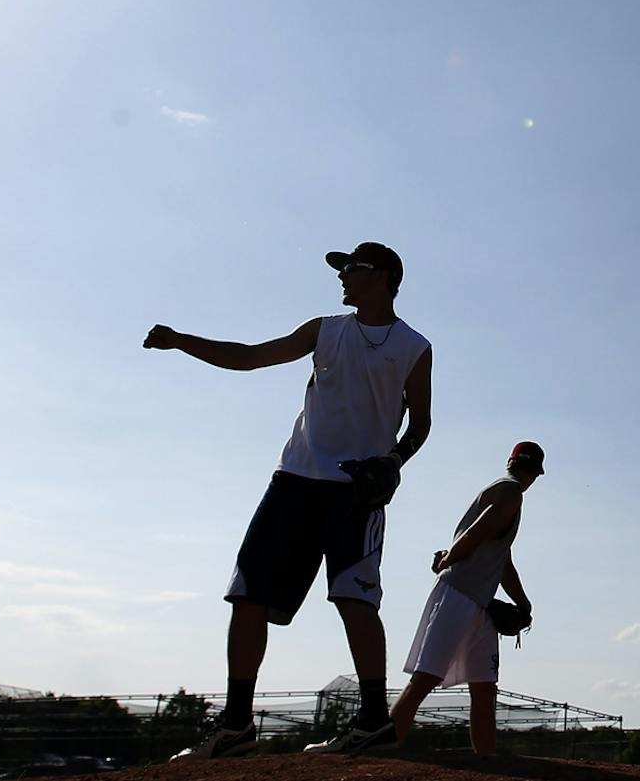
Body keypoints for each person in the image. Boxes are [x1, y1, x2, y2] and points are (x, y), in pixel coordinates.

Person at [144, 241, 434, 758]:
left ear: (385, 277)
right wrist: (182, 341)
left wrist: (393, 462)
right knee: (248, 596)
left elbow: (421, 423)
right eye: (341, 269)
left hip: (356, 494)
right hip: (295, 481)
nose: (343, 276)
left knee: (355, 598)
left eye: (354, 268)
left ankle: (373, 722)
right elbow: (254, 357)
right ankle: (235, 727)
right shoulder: (325, 329)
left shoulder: (414, 346)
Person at [375, 442, 543, 759]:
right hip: (458, 594)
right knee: (424, 679)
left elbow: (500, 559)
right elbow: (476, 535)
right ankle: (382, 747)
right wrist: (447, 559)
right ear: (536, 473)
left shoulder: (502, 491)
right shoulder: (510, 492)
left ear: (510, 461)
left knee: (484, 687)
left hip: (478, 602)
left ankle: (488, 760)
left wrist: (524, 603)